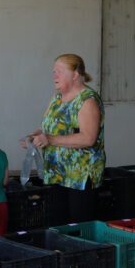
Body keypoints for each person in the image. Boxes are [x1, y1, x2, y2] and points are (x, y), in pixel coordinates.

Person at [25, 54, 105, 223]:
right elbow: (50, 129)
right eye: (54, 71)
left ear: (75, 75)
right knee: (58, 224)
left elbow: (88, 138)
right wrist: (37, 137)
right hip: (56, 172)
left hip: (79, 177)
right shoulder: (56, 98)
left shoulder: (87, 100)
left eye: (60, 71)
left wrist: (50, 139)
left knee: (79, 226)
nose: (54, 76)